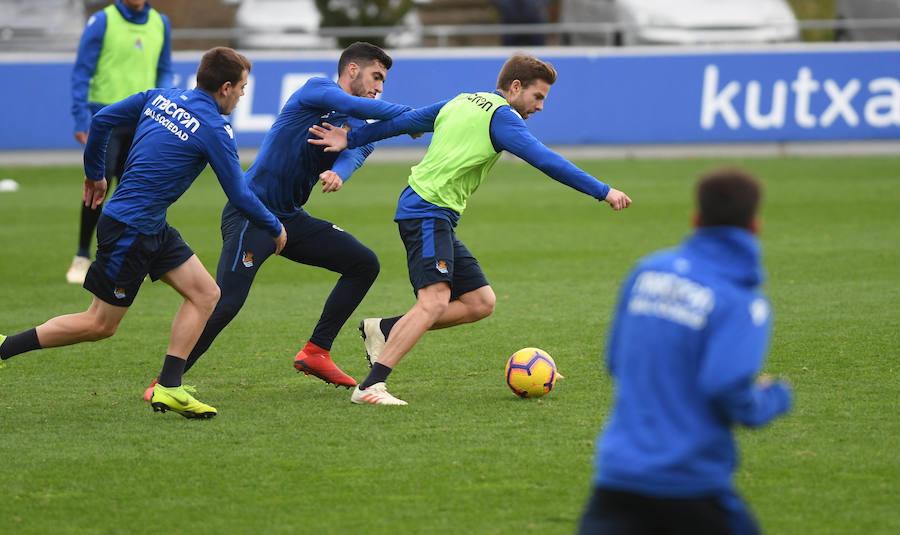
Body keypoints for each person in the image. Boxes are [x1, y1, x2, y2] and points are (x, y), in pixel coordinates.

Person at [308, 53, 632, 405]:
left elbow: (406, 122)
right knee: (433, 302)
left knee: (480, 302)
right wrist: (603, 191)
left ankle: (385, 330)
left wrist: (351, 139)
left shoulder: (460, 101)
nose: (540, 107)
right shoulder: (502, 118)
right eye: (538, 97)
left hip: (433, 213)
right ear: (516, 86)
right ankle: (372, 385)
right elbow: (547, 160)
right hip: (427, 211)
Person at [1, 47, 287, 420]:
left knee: (205, 294)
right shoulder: (216, 129)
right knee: (100, 324)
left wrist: (95, 172)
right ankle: (5, 347)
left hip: (150, 225)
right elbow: (238, 194)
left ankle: (169, 386)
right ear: (226, 88)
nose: (243, 94)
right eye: (243, 87)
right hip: (129, 230)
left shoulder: (160, 97)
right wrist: (275, 225)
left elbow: (102, 119)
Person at [138, 42, 414, 402]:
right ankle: (166, 382)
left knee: (363, 263)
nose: (380, 86)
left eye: (384, 81)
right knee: (225, 301)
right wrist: (415, 116)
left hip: (288, 219)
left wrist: (340, 173)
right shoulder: (317, 89)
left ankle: (316, 351)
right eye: (376, 76)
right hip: (252, 212)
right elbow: (357, 105)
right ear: (352, 70)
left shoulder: (359, 128)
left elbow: (356, 151)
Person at [576, 168, 793, 534]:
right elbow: (726, 387)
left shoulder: (647, 272)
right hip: (689, 484)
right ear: (755, 226)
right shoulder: (741, 301)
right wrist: (773, 398)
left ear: (695, 219)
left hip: (618, 476)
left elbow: (615, 360)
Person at [67, 0, 173, 284]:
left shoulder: (160, 23)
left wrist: (165, 105)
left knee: (136, 190)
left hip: (144, 121)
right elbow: (82, 71)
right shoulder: (103, 20)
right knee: (97, 184)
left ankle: (121, 257)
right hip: (107, 119)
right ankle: (81, 255)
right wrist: (80, 117)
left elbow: (164, 70)